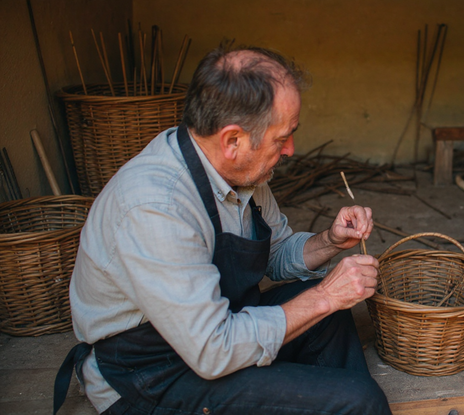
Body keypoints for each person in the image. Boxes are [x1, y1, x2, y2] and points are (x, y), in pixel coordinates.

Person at [53, 46, 392, 415]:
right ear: (233, 141)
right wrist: (327, 295)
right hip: (151, 374)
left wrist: (329, 241)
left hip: (213, 329)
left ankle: (313, 397)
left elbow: (274, 255)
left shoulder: (238, 169)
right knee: (359, 398)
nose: (291, 150)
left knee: (328, 318)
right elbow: (212, 351)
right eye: (282, 138)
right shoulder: (156, 207)